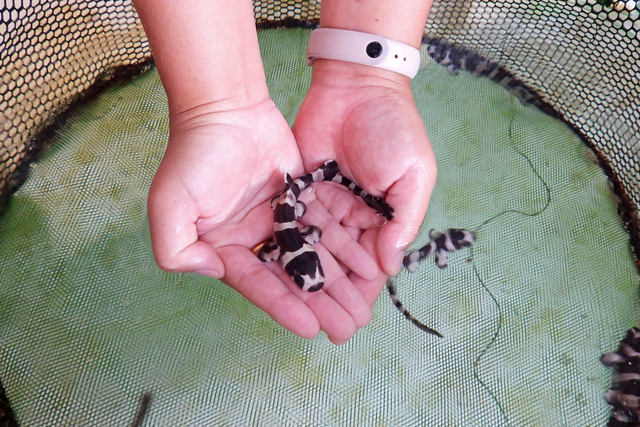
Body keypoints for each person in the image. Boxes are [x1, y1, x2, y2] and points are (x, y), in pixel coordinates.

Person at [132, 0, 437, 344]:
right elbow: (272, 252)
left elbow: (299, 241)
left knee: (312, 191)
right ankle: (326, 175)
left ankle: (326, 175)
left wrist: (368, 79)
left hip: (294, 206)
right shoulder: (281, 243)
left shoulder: (300, 237)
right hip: (290, 203)